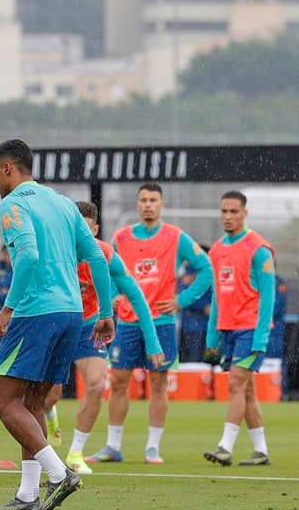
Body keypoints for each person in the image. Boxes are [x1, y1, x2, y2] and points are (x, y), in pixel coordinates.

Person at [0, 139, 114, 510]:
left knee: (3, 400)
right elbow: (94, 255)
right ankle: (27, 495)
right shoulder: (61, 202)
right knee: (32, 402)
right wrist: (104, 311)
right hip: (72, 313)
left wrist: (8, 309)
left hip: (35, 312)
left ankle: (58, 473)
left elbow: (27, 255)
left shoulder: (12, 204)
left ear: (8, 168)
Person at [88, 183, 212, 465]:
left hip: (163, 321)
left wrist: (183, 299)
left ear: (162, 205)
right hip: (128, 322)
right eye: (143, 200)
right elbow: (106, 269)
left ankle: (152, 447)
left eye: (153, 200)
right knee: (118, 381)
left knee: (158, 383)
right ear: (137, 204)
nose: (147, 205)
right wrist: (112, 296)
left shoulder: (175, 237)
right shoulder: (122, 237)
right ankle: (113, 446)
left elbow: (206, 268)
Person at [43, 200, 162, 476]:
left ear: (95, 230)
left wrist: (152, 342)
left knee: (97, 385)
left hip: (89, 326)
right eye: (75, 230)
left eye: (86, 231)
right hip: (56, 322)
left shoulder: (106, 255)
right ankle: (49, 419)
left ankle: (75, 453)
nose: (80, 238)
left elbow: (135, 296)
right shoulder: (54, 252)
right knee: (47, 397)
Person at [202, 191, 276, 467]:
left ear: (245, 213)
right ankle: (261, 451)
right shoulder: (218, 249)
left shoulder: (259, 248)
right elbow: (216, 296)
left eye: (234, 211)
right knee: (246, 392)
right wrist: (212, 336)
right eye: (224, 211)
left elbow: (268, 297)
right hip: (228, 330)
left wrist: (261, 336)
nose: (228, 216)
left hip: (250, 329)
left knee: (235, 384)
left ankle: (225, 446)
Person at [179, 260, 212, 363]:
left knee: (200, 360)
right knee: (192, 361)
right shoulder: (191, 271)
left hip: (205, 326)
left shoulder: (208, 271)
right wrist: (204, 306)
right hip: (192, 326)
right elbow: (185, 296)